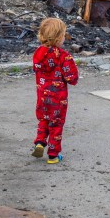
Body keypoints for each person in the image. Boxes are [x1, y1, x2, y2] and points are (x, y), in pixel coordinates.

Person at [31, 17, 79, 164]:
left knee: (43, 120)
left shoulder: (38, 53)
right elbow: (72, 78)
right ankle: (53, 154)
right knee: (56, 125)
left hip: (42, 98)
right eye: (63, 35)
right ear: (58, 38)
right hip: (58, 100)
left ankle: (39, 142)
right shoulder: (64, 56)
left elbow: (36, 69)